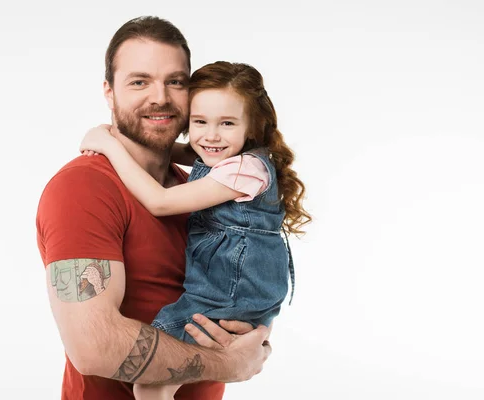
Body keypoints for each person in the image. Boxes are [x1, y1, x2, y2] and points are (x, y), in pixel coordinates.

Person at [36, 16, 272, 400]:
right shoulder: (84, 188)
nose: (160, 97)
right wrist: (231, 364)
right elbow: (93, 348)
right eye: (139, 81)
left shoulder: (198, 187)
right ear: (109, 93)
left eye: (175, 81)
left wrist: (251, 335)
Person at [79, 61, 311, 399]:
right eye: (199, 122)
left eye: (227, 123)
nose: (211, 136)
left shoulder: (244, 170)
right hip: (237, 290)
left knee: (150, 381)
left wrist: (108, 144)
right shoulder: (227, 155)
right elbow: (167, 149)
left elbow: (160, 202)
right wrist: (122, 135)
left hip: (225, 295)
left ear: (251, 128)